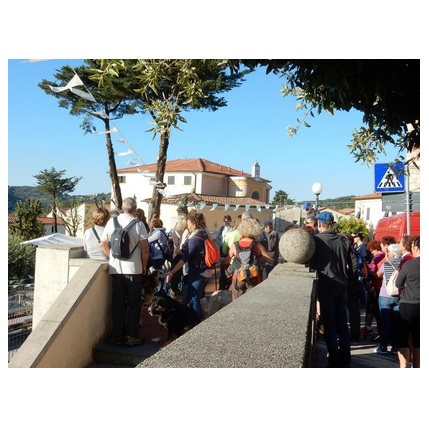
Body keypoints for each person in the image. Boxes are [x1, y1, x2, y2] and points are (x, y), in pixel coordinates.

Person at [100, 197, 150, 346]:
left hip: (116, 269)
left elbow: (102, 244)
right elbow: (145, 250)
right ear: (135, 209)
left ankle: (119, 336)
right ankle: (131, 336)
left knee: (117, 302)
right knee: (134, 303)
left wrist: (112, 258)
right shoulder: (139, 224)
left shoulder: (112, 222)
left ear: (122, 208)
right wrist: (144, 265)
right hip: (133, 269)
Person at [308, 211, 352, 368]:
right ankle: (345, 360)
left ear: (319, 224)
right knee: (343, 326)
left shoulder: (316, 241)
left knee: (330, 327)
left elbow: (311, 263)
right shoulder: (343, 240)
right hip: (342, 286)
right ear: (332, 224)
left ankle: (333, 361)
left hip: (326, 287)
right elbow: (351, 263)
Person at [165, 212, 212, 320]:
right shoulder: (204, 235)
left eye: (188, 224)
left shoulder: (194, 239)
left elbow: (184, 259)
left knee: (194, 300)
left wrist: (171, 273)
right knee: (198, 298)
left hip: (197, 273)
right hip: (206, 272)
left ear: (194, 225)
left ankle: (196, 323)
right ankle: (199, 320)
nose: (187, 227)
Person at [223, 217, 274, 301]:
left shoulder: (235, 245)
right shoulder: (257, 245)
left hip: (238, 277)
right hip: (253, 277)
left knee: (236, 302)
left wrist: (221, 260)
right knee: (252, 302)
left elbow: (227, 260)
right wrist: (261, 257)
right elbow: (271, 261)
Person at [396, 235, 420, 368]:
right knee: (418, 339)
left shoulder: (409, 264)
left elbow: (398, 283)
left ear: (416, 247)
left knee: (402, 338)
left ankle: (404, 365)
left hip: (408, 304)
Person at [374, 243, 402, 355]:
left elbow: (378, 274)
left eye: (388, 252)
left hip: (385, 295)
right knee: (396, 323)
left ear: (392, 254)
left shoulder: (386, 264)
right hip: (398, 295)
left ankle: (383, 346)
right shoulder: (403, 264)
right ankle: (395, 347)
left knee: (385, 322)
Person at [363, 239, 384, 339]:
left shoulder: (379, 257)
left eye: (372, 250)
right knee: (372, 308)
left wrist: (369, 273)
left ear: (376, 249)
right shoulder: (380, 256)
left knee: (375, 309)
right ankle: (369, 327)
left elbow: (375, 270)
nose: (371, 253)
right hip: (375, 285)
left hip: (377, 285)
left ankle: (380, 331)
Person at [344, 234, 361, 343]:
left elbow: (354, 266)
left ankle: (351, 334)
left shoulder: (348, 252)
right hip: (354, 284)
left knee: (346, 310)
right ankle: (355, 334)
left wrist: (348, 277)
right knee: (354, 311)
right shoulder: (354, 252)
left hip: (349, 285)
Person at [169, 214, 188, 299]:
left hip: (175, 255)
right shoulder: (185, 232)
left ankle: (173, 293)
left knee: (175, 276)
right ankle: (181, 292)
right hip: (182, 255)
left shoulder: (175, 232)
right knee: (183, 275)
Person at [216, 215, 234, 290]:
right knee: (223, 264)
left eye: (228, 221)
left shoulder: (232, 229)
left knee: (229, 263)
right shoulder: (222, 228)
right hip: (223, 248)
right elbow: (217, 237)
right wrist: (221, 244)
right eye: (225, 221)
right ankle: (223, 274)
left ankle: (227, 280)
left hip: (229, 248)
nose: (226, 222)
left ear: (230, 221)